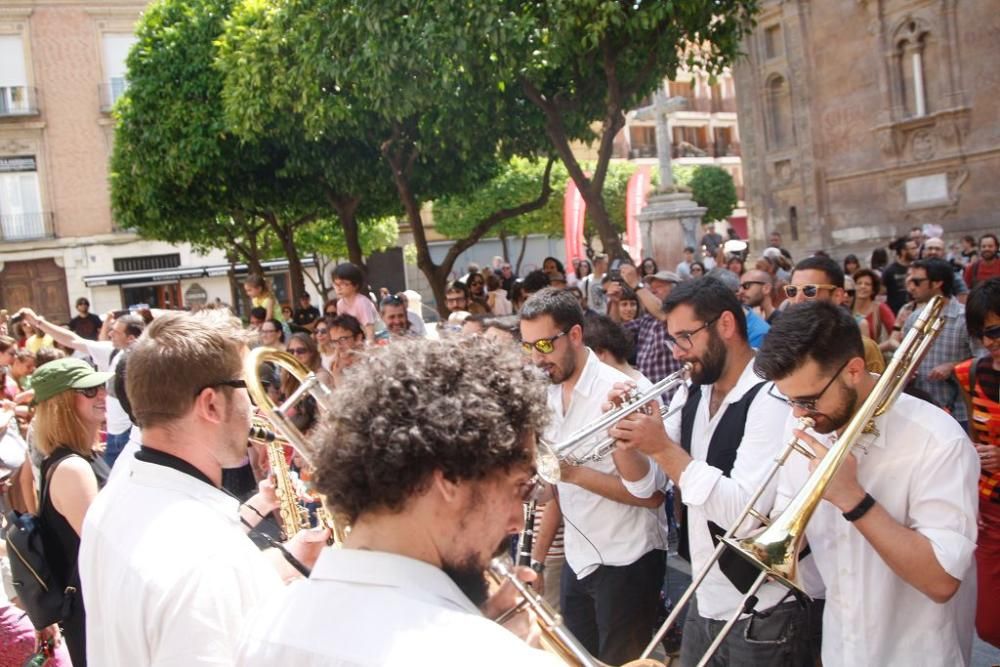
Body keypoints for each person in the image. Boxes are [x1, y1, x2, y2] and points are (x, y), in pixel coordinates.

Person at [236, 337, 560, 665]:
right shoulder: (492, 655)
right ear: (450, 478)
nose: (518, 521)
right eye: (519, 488)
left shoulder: (262, 627)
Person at [79, 310, 326, 665]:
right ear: (210, 404)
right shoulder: (208, 560)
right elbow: (201, 584)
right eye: (246, 388)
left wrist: (288, 558)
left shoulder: (113, 498)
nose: (255, 406)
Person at [754, 301, 978, 665]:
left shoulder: (938, 441)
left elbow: (942, 581)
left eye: (808, 401)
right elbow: (789, 532)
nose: (798, 415)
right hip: (840, 648)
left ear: (854, 371)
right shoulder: (804, 422)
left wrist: (854, 500)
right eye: (789, 400)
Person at [609, 277, 817, 666]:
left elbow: (742, 512)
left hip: (764, 612)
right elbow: (645, 486)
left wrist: (662, 448)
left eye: (686, 337)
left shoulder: (771, 397)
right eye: (673, 340)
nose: (678, 353)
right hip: (705, 595)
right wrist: (623, 435)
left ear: (725, 325)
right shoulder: (694, 390)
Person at [519, 288, 666, 664]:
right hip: (579, 556)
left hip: (628, 557)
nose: (537, 358)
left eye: (544, 346)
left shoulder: (624, 391)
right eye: (528, 346)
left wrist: (573, 474)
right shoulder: (546, 391)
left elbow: (651, 495)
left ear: (575, 335)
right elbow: (553, 488)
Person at [30, 357, 114, 666]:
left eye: (101, 386)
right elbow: (107, 547)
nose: (102, 395)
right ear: (61, 402)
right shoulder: (72, 468)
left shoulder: (78, 459)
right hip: (93, 613)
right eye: (89, 390)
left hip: (95, 609)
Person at [18, 309, 144, 469]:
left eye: (116, 332)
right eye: (90, 389)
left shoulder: (142, 362)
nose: (110, 334)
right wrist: (38, 322)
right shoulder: (111, 351)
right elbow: (72, 340)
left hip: (129, 434)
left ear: (131, 338)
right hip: (113, 434)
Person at [954, 277, 1000, 648]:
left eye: (996, 331)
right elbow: (975, 438)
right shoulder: (970, 374)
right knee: (988, 624)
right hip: (991, 513)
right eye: (981, 333)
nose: (988, 342)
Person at [897, 258, 976, 429]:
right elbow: (904, 359)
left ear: (937, 283)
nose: (911, 287)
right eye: (910, 281)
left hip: (959, 411)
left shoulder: (965, 318)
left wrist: (953, 367)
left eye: (917, 282)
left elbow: (983, 360)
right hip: (921, 412)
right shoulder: (913, 318)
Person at [784, 256, 885, 374]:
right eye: (792, 290)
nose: (798, 299)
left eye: (809, 290)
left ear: (837, 296)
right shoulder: (781, 347)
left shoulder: (863, 348)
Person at [333, 263, 378, 342]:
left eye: (344, 284)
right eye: (336, 284)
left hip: (378, 338)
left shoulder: (362, 302)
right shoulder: (340, 304)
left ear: (356, 285)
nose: (338, 288)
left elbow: (370, 331)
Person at [851, 269, 895, 351]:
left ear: (873, 290)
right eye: (859, 283)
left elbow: (895, 334)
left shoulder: (880, 308)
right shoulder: (847, 308)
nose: (862, 286)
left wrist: (876, 350)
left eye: (867, 284)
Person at [325, 314, 366, 386]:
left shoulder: (373, 360)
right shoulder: (339, 367)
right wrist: (337, 375)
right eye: (334, 342)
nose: (338, 346)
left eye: (343, 339)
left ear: (358, 338)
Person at [882, 236, 918, 314]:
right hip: (896, 314)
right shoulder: (889, 271)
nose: (916, 251)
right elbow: (882, 293)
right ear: (903, 251)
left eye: (916, 248)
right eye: (913, 249)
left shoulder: (918, 268)